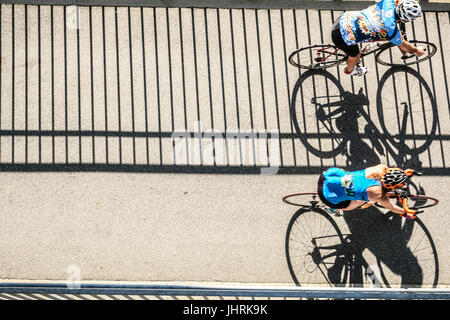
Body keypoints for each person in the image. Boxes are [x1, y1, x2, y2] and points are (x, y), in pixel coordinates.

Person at [331, 0, 425, 76]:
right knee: (356, 54)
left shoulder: (389, 2)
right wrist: (416, 50)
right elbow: (404, 46)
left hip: (343, 19)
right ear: (405, 19)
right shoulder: (391, 30)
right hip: (339, 36)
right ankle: (350, 70)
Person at [317, 164, 417, 219]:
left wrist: (403, 174)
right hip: (327, 196)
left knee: (350, 181)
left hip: (328, 176)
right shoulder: (378, 195)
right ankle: (332, 209)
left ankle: (345, 190)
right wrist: (405, 212)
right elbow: (392, 208)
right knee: (360, 201)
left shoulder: (381, 168)